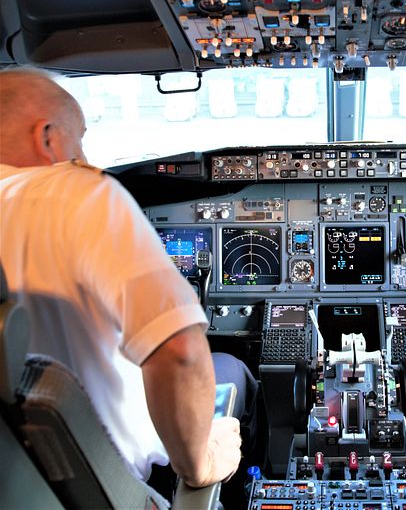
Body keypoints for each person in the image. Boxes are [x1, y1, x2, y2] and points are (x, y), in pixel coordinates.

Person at [0, 67, 256, 490]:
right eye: (79, 138)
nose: (85, 156)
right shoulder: (74, 192)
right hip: (114, 480)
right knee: (232, 369)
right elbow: (179, 349)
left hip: (23, 478)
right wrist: (201, 464)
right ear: (47, 137)